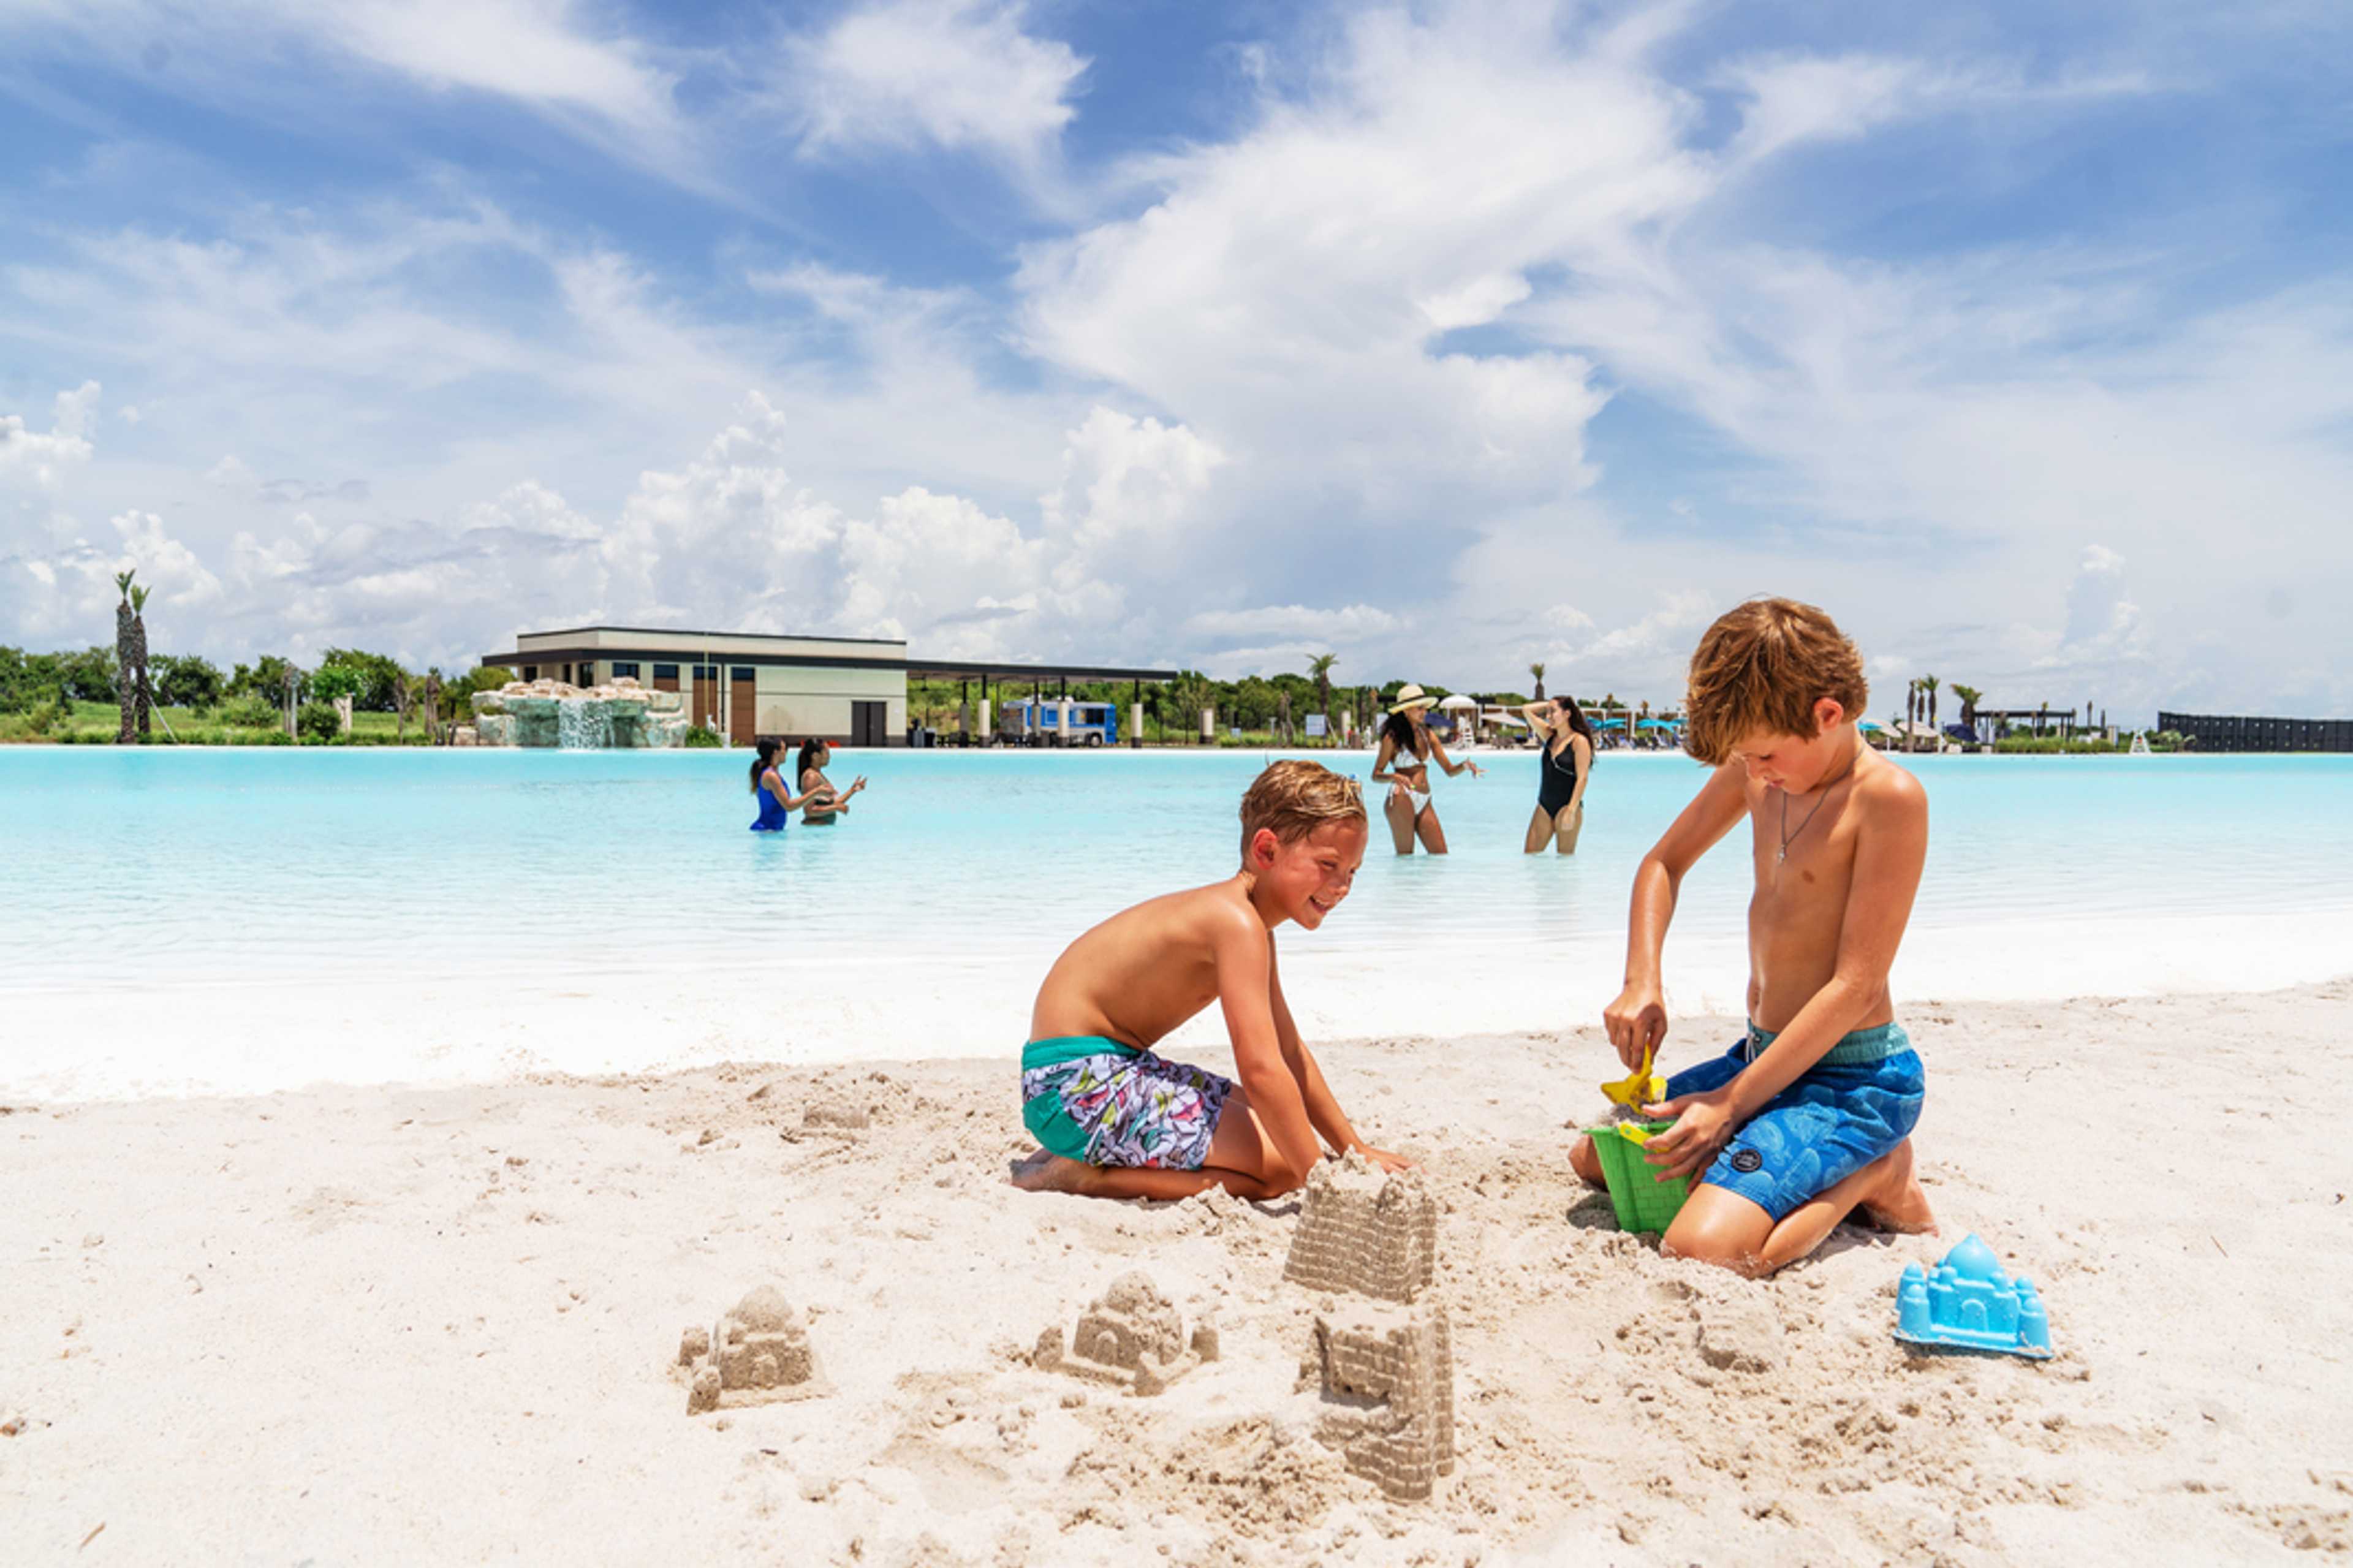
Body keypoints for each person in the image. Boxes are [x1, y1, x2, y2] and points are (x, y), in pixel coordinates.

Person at [1570, 597, 1936, 1276]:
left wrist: (1730, 1105)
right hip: (1762, 1057)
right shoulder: (1757, 769)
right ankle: (1762, 1145)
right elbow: (1662, 864)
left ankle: (1877, 1174)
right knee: (1597, 1159)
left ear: (1827, 714)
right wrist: (1641, 978)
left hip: (1852, 1079)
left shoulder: (1887, 799)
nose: (1755, 772)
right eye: (1746, 758)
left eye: (1765, 754)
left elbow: (1856, 988)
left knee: (1702, 1250)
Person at [1011, 760, 1409, 1200]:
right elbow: (1260, 1067)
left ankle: (1090, 1156)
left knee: (1281, 1125)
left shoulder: (1250, 922)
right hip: (1079, 1085)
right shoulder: (1237, 924)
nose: (1342, 886)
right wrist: (1323, 1182)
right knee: (1282, 1170)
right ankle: (1088, 1176)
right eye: (1328, 864)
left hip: (1082, 1075)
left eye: (1352, 871)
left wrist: (1352, 1147)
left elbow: (1288, 1052)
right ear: (1267, 851)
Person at [1368, 684, 1482, 855]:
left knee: (1440, 855)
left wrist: (1465, 766)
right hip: (1401, 797)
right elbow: (1376, 775)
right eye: (1419, 708)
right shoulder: (1392, 738)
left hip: (1424, 799)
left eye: (1425, 708)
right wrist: (1394, 776)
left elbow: (1450, 770)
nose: (1424, 712)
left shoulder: (1427, 735)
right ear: (1406, 711)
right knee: (1405, 857)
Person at [1520, 695, 1595, 854]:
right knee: (1530, 856)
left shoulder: (1579, 741)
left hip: (1567, 807)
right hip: (1544, 806)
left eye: (1553, 712)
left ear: (1567, 714)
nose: (1548, 716)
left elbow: (1583, 778)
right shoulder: (1549, 736)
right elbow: (1526, 710)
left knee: (1564, 862)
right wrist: (1550, 704)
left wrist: (1571, 810)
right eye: (1547, 712)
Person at [748, 738, 818, 831]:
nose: (786, 753)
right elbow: (789, 806)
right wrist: (816, 792)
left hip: (771, 830)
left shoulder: (772, 773)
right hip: (766, 829)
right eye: (785, 749)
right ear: (776, 752)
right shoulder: (771, 776)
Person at [796, 738, 866, 826]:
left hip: (820, 830)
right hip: (815, 831)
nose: (829, 756)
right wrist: (836, 808)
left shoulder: (818, 774)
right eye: (827, 753)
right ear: (815, 756)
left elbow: (831, 803)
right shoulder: (811, 777)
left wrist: (852, 791)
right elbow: (809, 811)